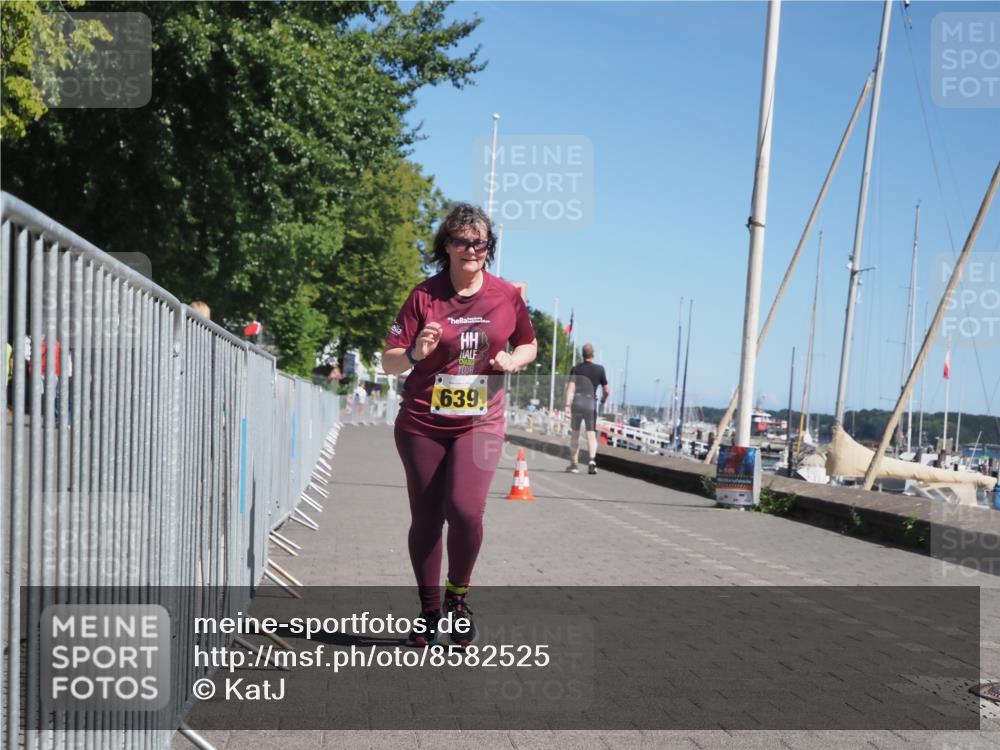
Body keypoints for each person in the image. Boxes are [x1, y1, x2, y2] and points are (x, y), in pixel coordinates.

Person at [382, 202, 537, 648]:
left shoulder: (506, 295)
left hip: (480, 422)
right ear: (446, 246)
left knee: (466, 511)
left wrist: (513, 360)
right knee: (427, 519)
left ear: (489, 248)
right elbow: (389, 361)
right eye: (461, 241)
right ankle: (430, 610)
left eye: (480, 242)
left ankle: (457, 597)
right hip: (423, 422)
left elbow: (528, 343)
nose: (471, 249)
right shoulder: (424, 296)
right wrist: (416, 352)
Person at [563, 343, 609, 474]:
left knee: (575, 434)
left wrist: (567, 405)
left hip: (577, 403)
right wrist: (603, 399)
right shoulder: (600, 369)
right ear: (593, 354)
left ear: (582, 355)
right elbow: (606, 390)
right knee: (591, 434)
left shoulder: (576, 369)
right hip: (590, 403)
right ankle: (592, 461)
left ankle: (574, 464)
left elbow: (570, 388)